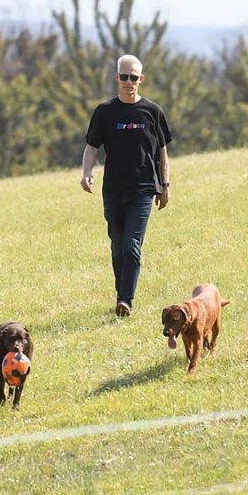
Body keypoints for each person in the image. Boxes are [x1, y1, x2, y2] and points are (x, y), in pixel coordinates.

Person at [81, 54, 172, 317]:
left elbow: (163, 152)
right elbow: (91, 147)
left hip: (143, 189)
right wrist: (87, 172)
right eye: (124, 77)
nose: (129, 82)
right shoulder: (105, 112)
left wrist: (165, 184)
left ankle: (125, 300)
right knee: (118, 246)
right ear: (116, 78)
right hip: (113, 190)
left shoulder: (153, 112)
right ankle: (122, 292)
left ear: (141, 79)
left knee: (132, 244)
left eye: (134, 77)